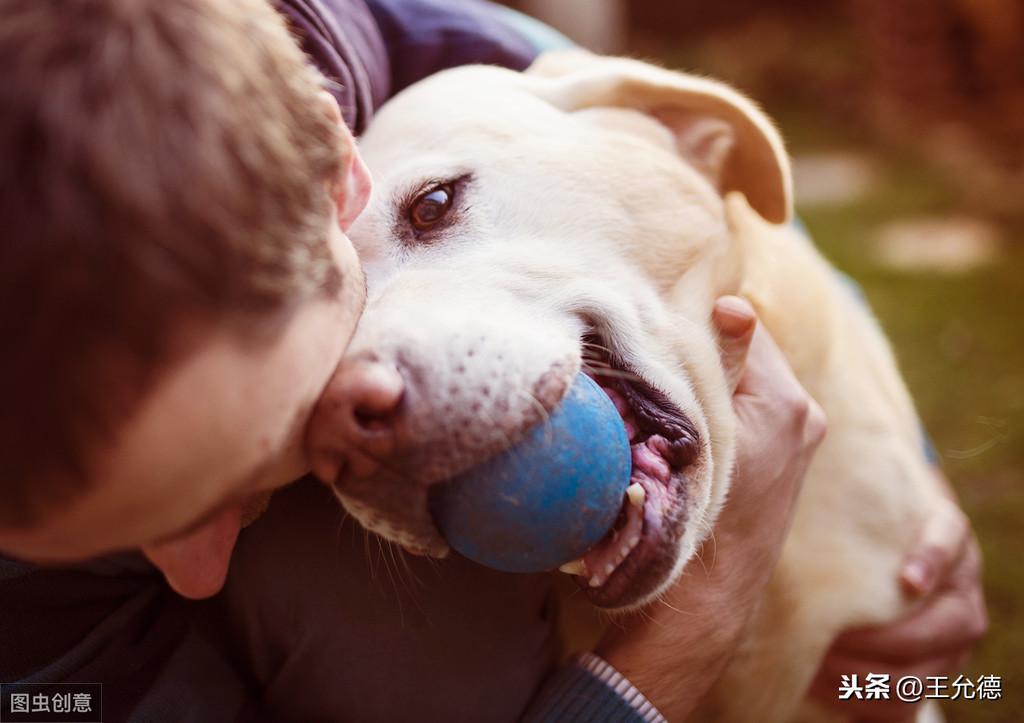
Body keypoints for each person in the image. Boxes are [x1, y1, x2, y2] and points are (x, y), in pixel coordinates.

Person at [0, 0, 984, 720]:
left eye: (431, 212)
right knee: (386, 638)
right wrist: (660, 664)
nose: (196, 571)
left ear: (335, 180)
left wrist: (908, 492)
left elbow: (711, 201)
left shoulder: (482, 71)